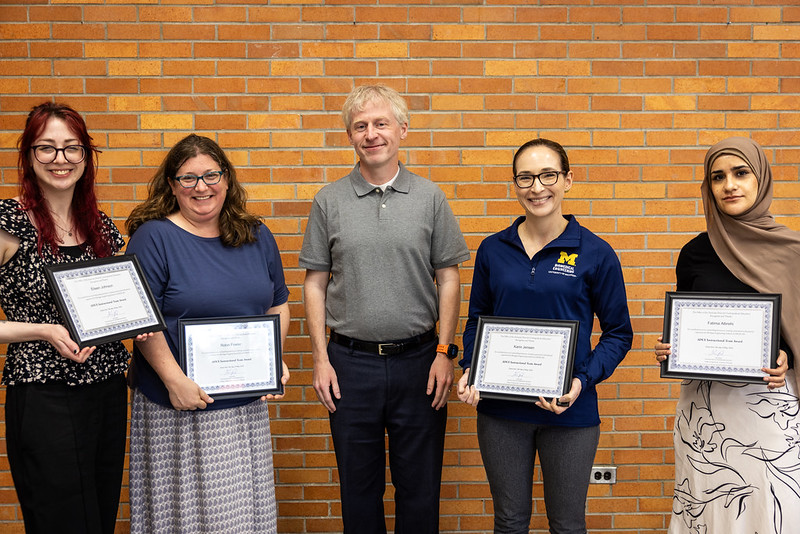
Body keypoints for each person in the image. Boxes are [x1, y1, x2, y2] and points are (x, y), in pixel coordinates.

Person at [300, 84, 470, 534]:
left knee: (420, 489)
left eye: (380, 123)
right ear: (350, 136)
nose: (371, 134)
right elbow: (314, 283)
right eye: (360, 126)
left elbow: (448, 276)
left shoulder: (430, 197)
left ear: (403, 131)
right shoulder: (328, 200)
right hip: (349, 367)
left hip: (420, 364)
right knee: (359, 489)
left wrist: (443, 352)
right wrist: (321, 360)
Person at [457, 138, 633, 534]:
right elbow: (477, 320)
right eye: (525, 177)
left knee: (567, 524)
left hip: (570, 411)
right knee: (509, 521)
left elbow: (619, 333)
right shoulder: (492, 250)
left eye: (548, 175)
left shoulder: (596, 253)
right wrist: (470, 366)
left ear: (568, 180)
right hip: (501, 412)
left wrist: (582, 381)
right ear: (514, 184)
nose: (537, 187)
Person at [125, 134, 290, 533]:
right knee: (185, 518)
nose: (202, 187)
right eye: (188, 178)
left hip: (243, 407)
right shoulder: (153, 238)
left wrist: (272, 358)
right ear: (172, 186)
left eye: (211, 175)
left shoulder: (256, 234)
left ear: (227, 180)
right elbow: (141, 321)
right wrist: (174, 380)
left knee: (242, 518)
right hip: (179, 406)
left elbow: (278, 304)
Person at [0, 102, 137, 533]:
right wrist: (44, 330)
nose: (60, 159)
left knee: (99, 517)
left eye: (71, 148)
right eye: (47, 148)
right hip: (44, 397)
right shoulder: (7, 223)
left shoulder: (100, 226)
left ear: (85, 156)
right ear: (28, 155)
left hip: (108, 392)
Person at [654, 137, 799, 534]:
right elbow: (685, 323)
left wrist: (786, 355)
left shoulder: (792, 250)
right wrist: (671, 348)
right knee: (709, 511)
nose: (729, 185)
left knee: (771, 512)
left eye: (740, 173)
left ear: (761, 179)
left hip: (767, 410)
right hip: (705, 412)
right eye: (717, 177)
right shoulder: (695, 253)